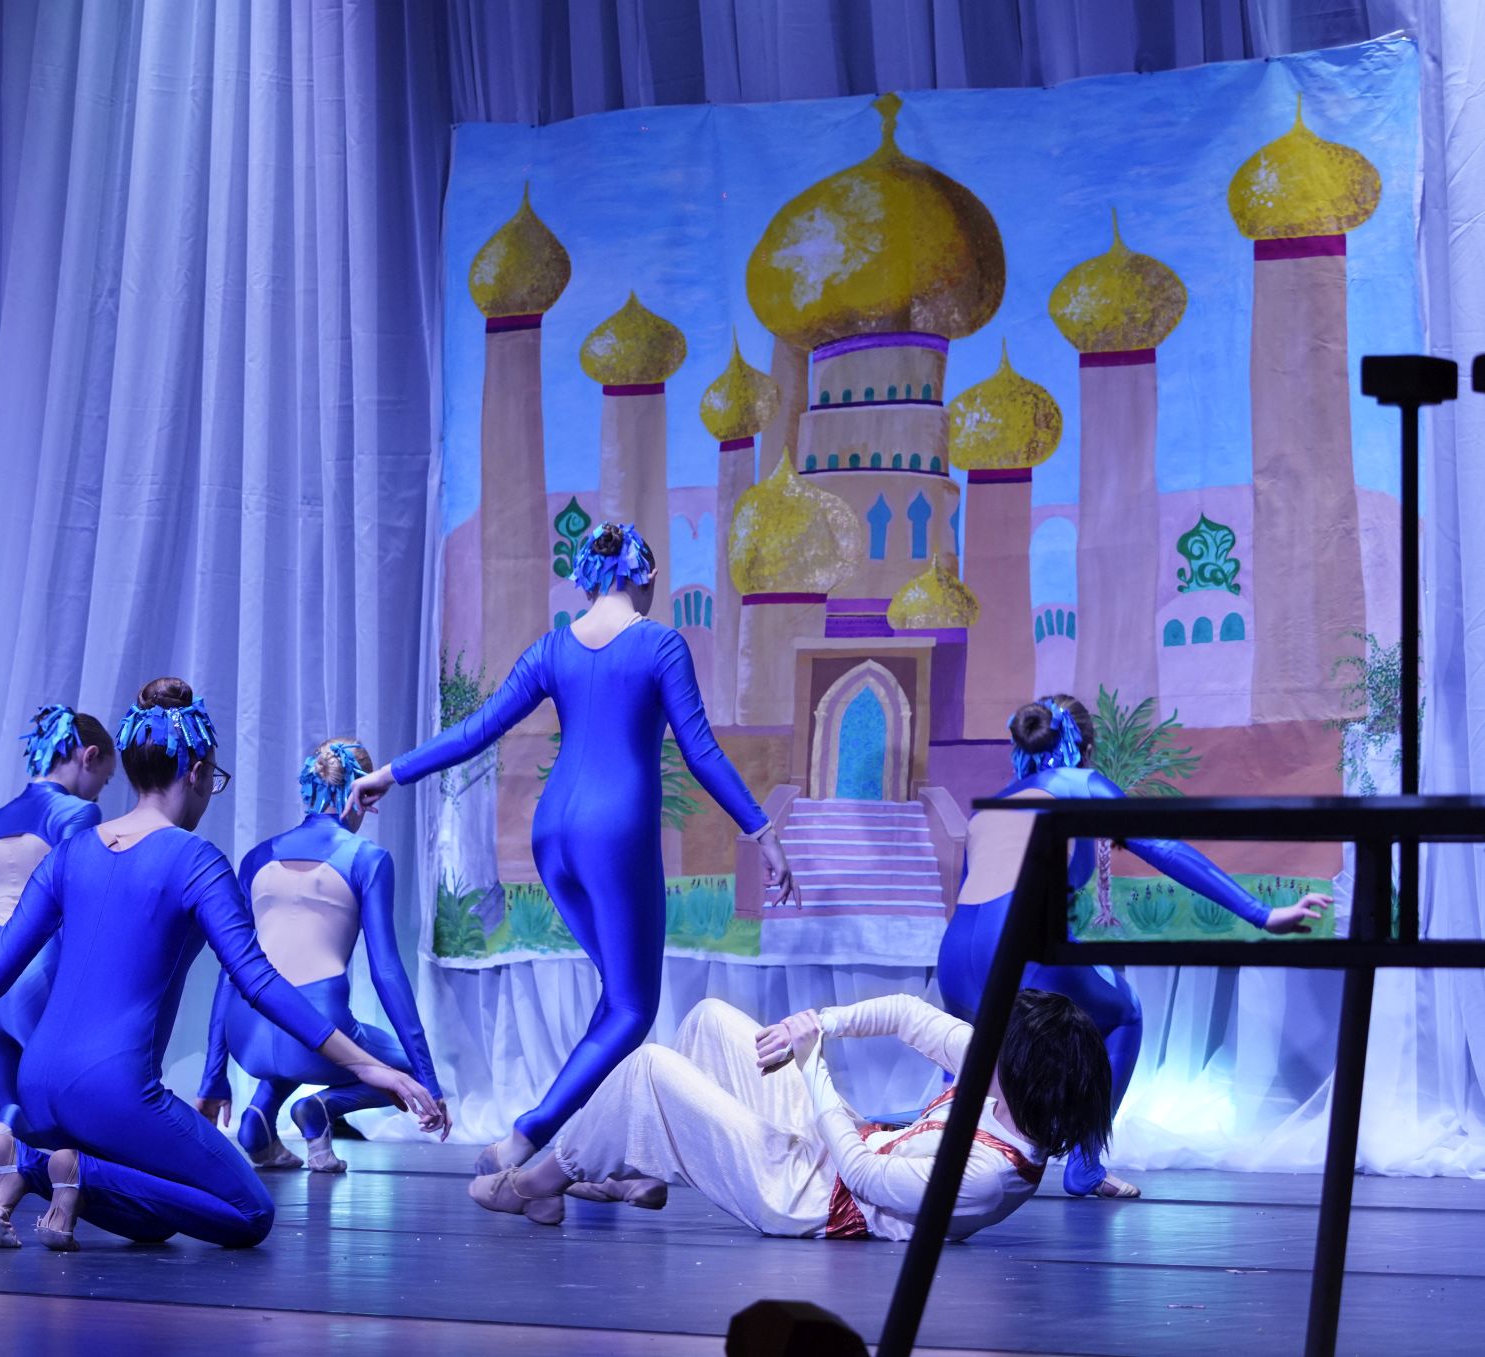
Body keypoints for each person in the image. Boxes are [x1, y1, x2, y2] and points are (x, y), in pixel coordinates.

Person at [0, 679, 445, 1251]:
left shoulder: (72, 852)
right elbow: (258, 981)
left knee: (155, 1218)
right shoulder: (196, 860)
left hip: (35, 1087)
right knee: (249, 1213)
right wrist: (367, 1066)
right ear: (196, 773)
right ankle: (42, 1166)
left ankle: (39, 1163)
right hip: (117, 1092)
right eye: (213, 779)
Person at [351, 522, 795, 1176]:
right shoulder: (660, 644)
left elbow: (476, 729)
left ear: (586, 577)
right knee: (632, 1008)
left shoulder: (552, 648)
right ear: (646, 575)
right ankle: (529, 1135)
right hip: (614, 833)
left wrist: (389, 772)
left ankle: (586, 1158)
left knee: (615, 998)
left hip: (552, 834)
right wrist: (762, 832)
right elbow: (700, 752)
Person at [937, 693, 1332, 1198]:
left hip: (954, 955)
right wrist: (1261, 913)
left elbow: (981, 894)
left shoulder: (994, 805)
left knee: (963, 1048)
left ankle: (928, 1148)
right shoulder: (1081, 783)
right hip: (1014, 946)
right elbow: (1161, 845)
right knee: (1123, 1013)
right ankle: (1084, 1165)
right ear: (1085, 747)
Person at [480, 989, 1110, 1242]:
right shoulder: (1003, 1078)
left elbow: (864, 1177)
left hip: (808, 1201)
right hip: (841, 1149)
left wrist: (813, 1067)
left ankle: (535, 1187)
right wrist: (810, 1027)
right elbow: (907, 1015)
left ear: (1026, 1076)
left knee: (651, 1068)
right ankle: (636, 1171)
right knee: (711, 1021)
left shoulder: (991, 1175)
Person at [197, 738, 440, 1173]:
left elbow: (228, 973)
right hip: (316, 1034)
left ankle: (259, 1121)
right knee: (405, 1068)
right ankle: (321, 1109)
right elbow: (386, 972)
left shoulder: (257, 857)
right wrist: (429, 1078)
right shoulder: (367, 858)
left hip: (245, 1037)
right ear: (365, 793)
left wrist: (214, 1076)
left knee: (290, 1025)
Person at [0, 703, 116, 1156]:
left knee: (9, 1118)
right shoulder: (78, 814)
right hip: (39, 966)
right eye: (105, 779)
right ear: (89, 756)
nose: (99, 791)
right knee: (67, 1124)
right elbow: (75, 908)